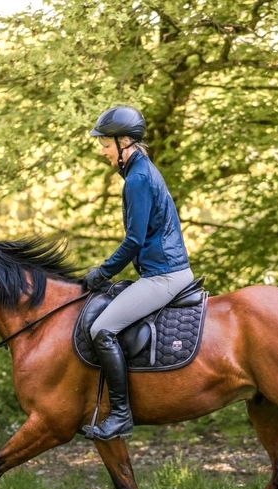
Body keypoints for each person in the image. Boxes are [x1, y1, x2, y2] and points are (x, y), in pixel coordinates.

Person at [83, 105, 195, 440]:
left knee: (101, 328)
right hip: (162, 271)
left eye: (106, 144)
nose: (103, 151)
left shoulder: (139, 179)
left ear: (125, 142)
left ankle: (120, 415)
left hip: (164, 276)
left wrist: (102, 272)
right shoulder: (140, 172)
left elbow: (133, 240)